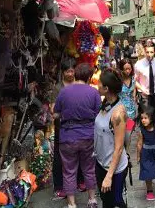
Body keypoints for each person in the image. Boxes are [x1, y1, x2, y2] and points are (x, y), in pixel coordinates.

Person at [54, 63, 101, 208]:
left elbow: (55, 114)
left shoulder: (64, 92)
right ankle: (92, 199)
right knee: (89, 168)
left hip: (68, 136)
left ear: (75, 74)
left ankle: (72, 203)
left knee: (68, 171)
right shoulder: (93, 93)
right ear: (89, 76)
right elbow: (99, 113)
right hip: (88, 136)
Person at [94, 68, 129, 208]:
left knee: (116, 202)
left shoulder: (118, 114)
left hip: (114, 169)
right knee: (106, 201)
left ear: (106, 88)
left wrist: (109, 176)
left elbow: (119, 148)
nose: (97, 84)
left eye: (99, 83)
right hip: (101, 163)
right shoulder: (105, 103)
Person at [52, 57, 78, 200]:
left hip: (77, 127)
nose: (70, 74)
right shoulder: (58, 88)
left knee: (79, 154)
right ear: (62, 72)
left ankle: (79, 181)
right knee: (59, 157)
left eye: (72, 71)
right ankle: (59, 186)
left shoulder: (78, 85)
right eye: (67, 71)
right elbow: (53, 110)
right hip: (62, 128)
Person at [134, 41, 155, 122]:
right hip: (143, 95)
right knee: (145, 118)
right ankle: (143, 133)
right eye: (147, 52)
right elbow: (134, 81)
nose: (149, 55)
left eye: (151, 52)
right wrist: (142, 89)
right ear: (144, 52)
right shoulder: (138, 64)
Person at [118, 59, 137, 150]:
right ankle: (123, 153)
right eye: (125, 69)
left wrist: (134, 96)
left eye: (129, 69)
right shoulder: (118, 80)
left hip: (131, 112)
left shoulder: (133, 78)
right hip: (120, 112)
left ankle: (126, 152)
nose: (128, 71)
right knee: (121, 134)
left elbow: (134, 89)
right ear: (121, 69)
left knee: (128, 134)